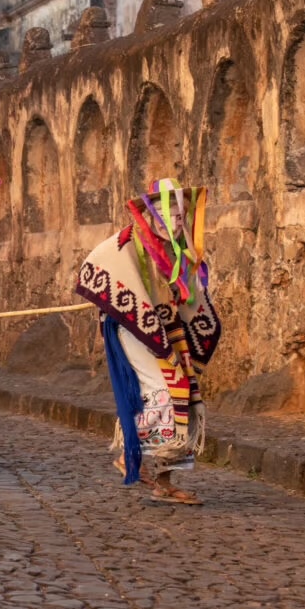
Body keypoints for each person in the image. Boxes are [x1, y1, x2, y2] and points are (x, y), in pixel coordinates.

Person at [75, 177, 221, 505]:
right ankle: (134, 452)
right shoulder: (129, 240)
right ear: (151, 210)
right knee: (164, 391)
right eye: (167, 208)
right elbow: (95, 268)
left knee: (185, 397)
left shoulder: (179, 246)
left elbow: (187, 290)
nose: (177, 215)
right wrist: (114, 296)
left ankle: (164, 479)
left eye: (180, 208)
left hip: (167, 331)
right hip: (134, 328)